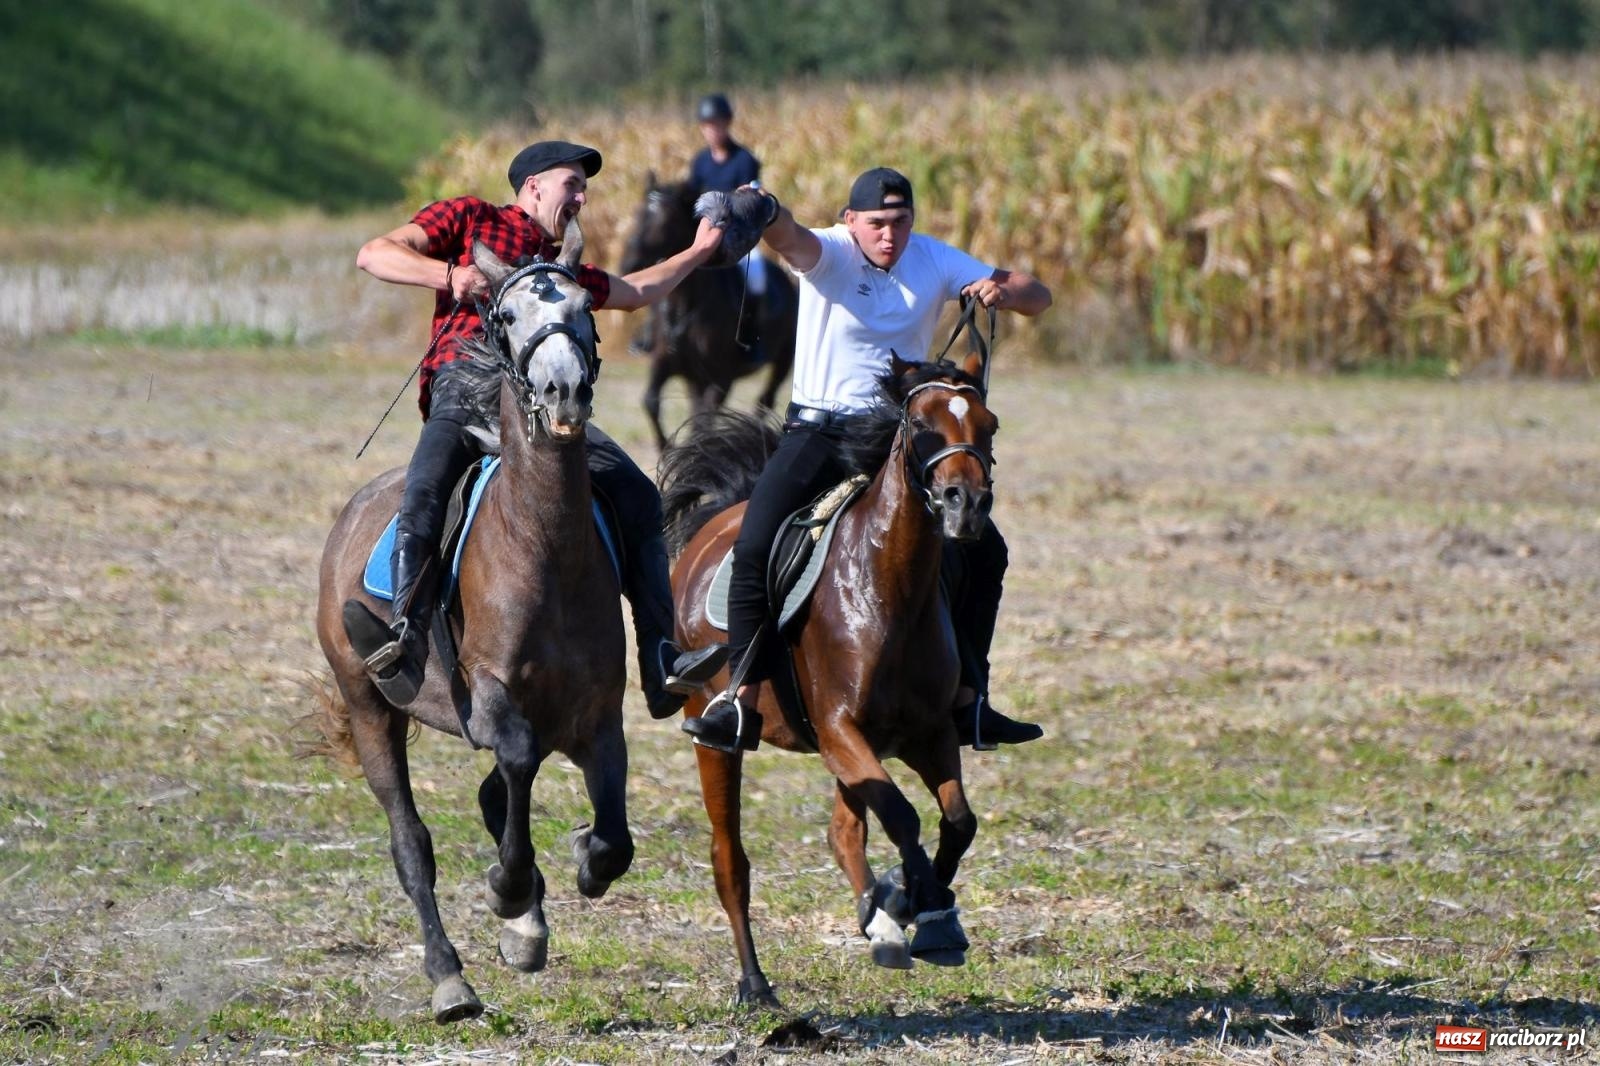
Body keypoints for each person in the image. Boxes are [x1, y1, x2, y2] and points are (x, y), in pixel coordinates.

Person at [675, 166, 1053, 754]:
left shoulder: (933, 259)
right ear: (851, 222)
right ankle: (739, 701)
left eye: (900, 222)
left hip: (897, 439)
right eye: (876, 223)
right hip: (818, 434)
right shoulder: (830, 253)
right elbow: (787, 235)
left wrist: (1004, 290)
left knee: (986, 551)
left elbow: (1038, 295)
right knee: (754, 543)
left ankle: (969, 701)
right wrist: (763, 206)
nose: (889, 235)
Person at [347, 139, 727, 718]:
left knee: (638, 496)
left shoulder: (562, 270)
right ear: (533, 187)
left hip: (547, 406)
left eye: (584, 187)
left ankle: (660, 656)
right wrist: (450, 274)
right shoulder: (472, 218)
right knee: (424, 493)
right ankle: (406, 639)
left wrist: (699, 251)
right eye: (571, 184)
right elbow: (374, 254)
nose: (581, 196)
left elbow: (637, 291)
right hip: (466, 390)